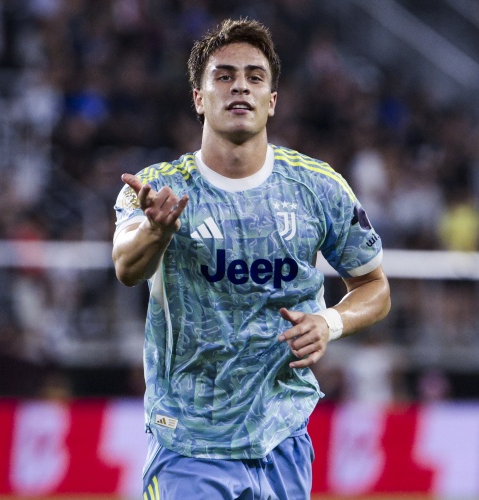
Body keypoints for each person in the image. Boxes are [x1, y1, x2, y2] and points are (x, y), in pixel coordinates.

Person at [112, 18, 391, 499]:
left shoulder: (318, 188)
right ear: (199, 98)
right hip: (188, 443)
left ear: (272, 100)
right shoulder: (160, 187)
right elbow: (126, 267)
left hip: (283, 438)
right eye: (224, 76)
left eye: (254, 77)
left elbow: (375, 287)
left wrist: (329, 323)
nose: (240, 86)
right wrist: (157, 231)